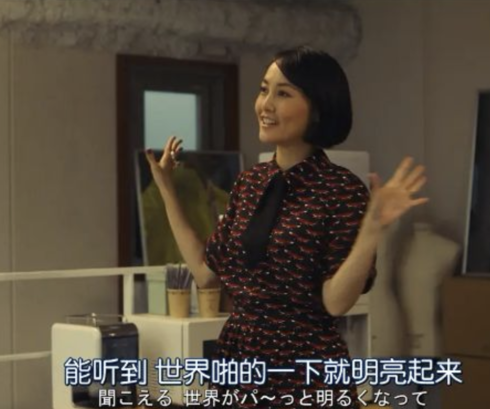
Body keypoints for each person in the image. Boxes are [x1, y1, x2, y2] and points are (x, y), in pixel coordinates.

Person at [145, 46, 428, 408]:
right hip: (239, 364)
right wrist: (167, 189)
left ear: (318, 108)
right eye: (264, 90)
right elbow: (204, 273)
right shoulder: (249, 183)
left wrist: (372, 230)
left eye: (283, 94)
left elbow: (335, 302)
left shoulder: (341, 189)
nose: (266, 105)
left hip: (305, 370)